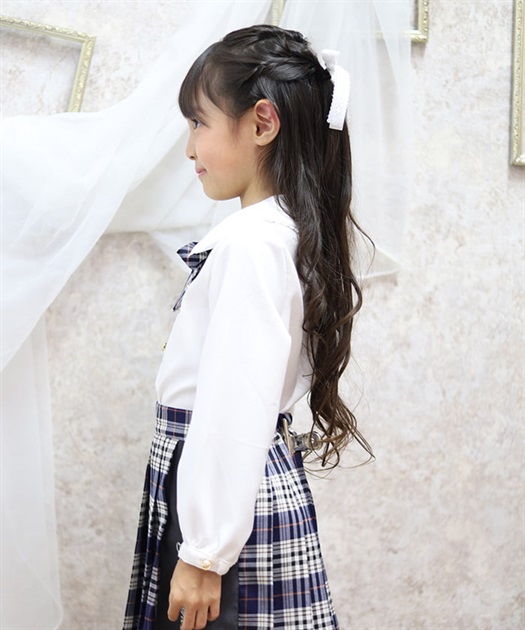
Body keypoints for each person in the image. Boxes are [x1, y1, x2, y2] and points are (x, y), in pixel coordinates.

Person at [124, 24, 372, 630]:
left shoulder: (251, 246)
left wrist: (204, 554)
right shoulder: (273, 234)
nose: (190, 148)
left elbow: (234, 403)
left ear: (262, 124)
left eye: (199, 123)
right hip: (234, 498)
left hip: (225, 515)